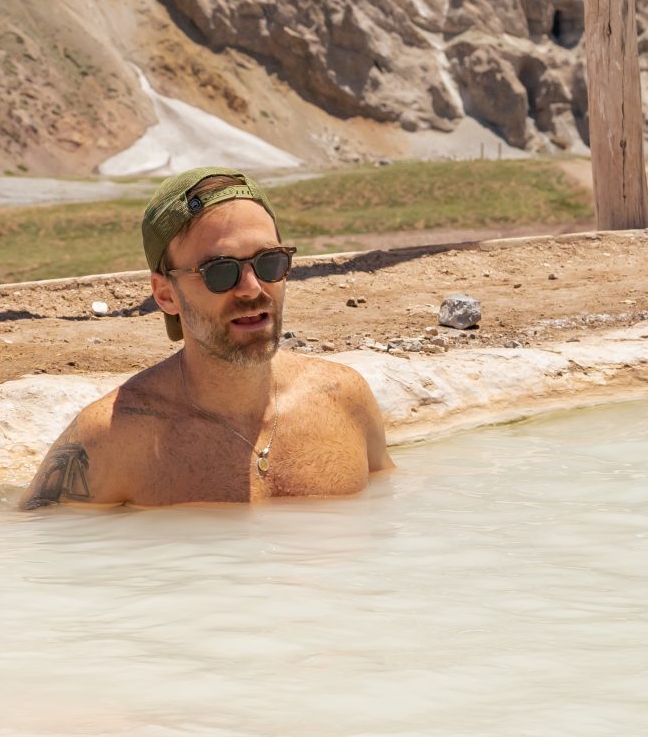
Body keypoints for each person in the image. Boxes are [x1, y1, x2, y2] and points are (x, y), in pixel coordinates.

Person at [21, 167, 392, 509]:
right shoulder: (113, 438)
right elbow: (35, 548)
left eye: (269, 263)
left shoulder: (344, 399)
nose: (251, 289)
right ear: (165, 295)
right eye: (219, 271)